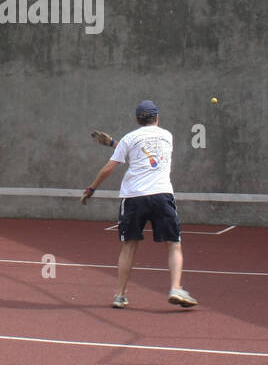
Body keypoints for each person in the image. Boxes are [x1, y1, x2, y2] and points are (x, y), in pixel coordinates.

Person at [81, 100, 197, 309]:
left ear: (137, 119)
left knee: (129, 246)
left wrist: (91, 188)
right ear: (157, 118)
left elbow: (111, 166)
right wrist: (114, 144)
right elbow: (145, 152)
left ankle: (119, 295)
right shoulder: (167, 136)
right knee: (174, 244)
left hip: (133, 198)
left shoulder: (129, 139)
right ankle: (175, 288)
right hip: (162, 195)